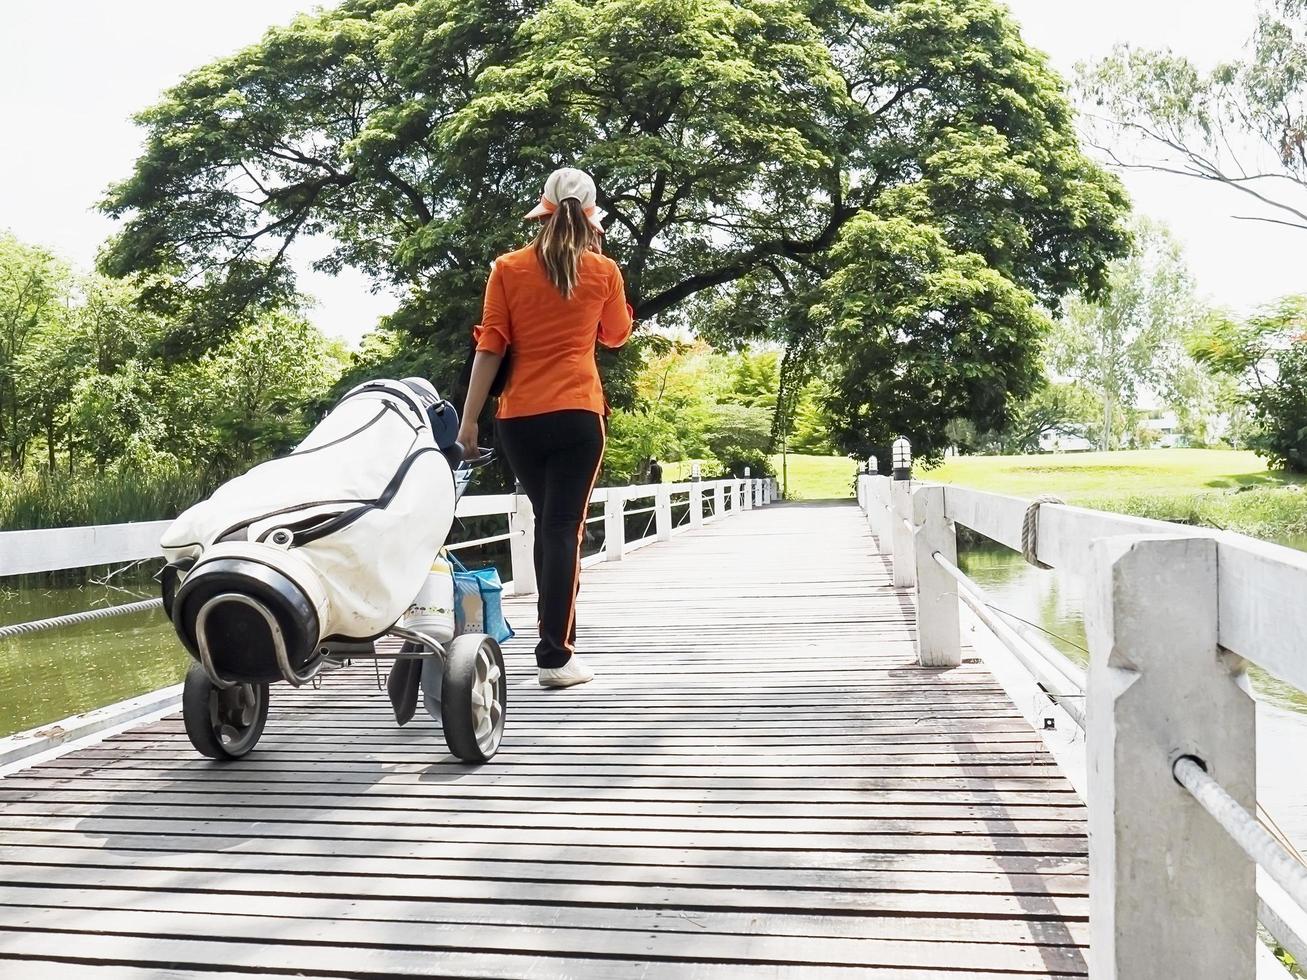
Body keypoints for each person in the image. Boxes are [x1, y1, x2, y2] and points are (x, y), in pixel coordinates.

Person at [458, 167, 633, 688]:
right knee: (563, 529)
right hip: (578, 414)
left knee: (546, 523)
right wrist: (597, 256)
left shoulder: (508, 268)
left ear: (544, 210)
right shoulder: (603, 271)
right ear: (591, 217)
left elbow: (491, 345)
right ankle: (555, 656)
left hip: (519, 420)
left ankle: (551, 642)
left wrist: (468, 422)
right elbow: (617, 335)